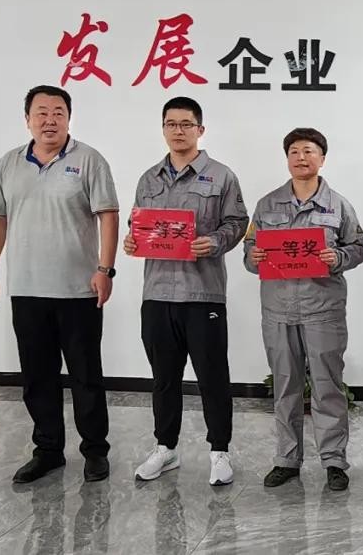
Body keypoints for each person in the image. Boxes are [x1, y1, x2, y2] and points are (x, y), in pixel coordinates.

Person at [0, 84, 118, 484]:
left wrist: (105, 269)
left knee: (85, 376)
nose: (50, 120)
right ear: (27, 119)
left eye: (58, 112)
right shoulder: (8, 164)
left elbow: (108, 215)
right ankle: (48, 450)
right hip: (27, 289)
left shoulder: (89, 160)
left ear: (69, 119)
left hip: (79, 290)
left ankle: (95, 451)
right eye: (41, 112)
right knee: (37, 376)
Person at [124, 96, 249, 486]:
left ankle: (219, 451)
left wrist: (214, 242)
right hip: (157, 293)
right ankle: (166, 447)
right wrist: (132, 240)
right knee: (163, 377)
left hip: (202, 294)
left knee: (212, 376)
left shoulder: (221, 176)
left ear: (200, 129)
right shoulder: (148, 179)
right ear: (163, 128)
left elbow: (237, 222)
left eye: (186, 124)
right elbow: (138, 223)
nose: (178, 131)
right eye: (171, 124)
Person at [243, 128, 363, 492]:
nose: (301, 157)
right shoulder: (267, 205)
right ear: (287, 159)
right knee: (285, 387)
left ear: (322, 158)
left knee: (328, 386)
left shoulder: (338, 205)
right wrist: (254, 257)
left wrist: (337, 257)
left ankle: (334, 461)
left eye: (309, 151)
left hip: (323, 309)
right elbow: (249, 252)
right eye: (294, 151)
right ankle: (287, 459)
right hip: (278, 310)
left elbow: (358, 247)